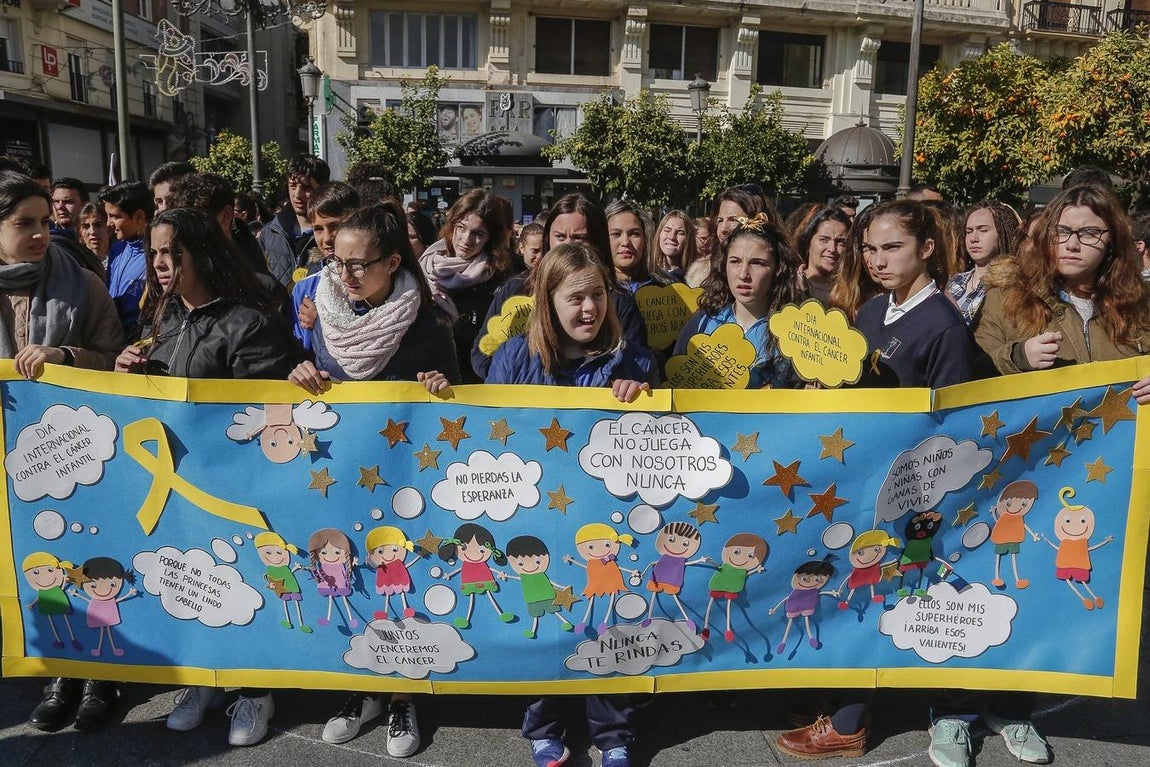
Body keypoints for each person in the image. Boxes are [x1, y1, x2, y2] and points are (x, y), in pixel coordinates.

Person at [114, 207, 302, 745]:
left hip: (232, 488)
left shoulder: (249, 322)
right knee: (190, 581)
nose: (161, 264)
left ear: (203, 252)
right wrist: (133, 371)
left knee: (241, 578)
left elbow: (258, 414)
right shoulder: (167, 319)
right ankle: (207, 679)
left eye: (172, 251)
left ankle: (253, 691)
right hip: (174, 486)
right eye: (154, 253)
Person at [487, 241, 654, 767]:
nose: (589, 309)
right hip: (533, 516)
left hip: (602, 517)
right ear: (547, 301)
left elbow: (660, 444)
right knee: (543, 619)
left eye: (598, 296)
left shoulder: (633, 358)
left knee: (602, 625)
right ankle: (543, 725)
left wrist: (644, 392)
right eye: (575, 298)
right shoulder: (515, 357)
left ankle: (614, 735)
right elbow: (488, 436)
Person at [0, 171, 125, 732]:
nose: (39, 234)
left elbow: (119, 361)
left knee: (84, 555)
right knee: (32, 563)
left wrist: (67, 356)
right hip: (8, 459)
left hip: (76, 453)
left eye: (44, 222)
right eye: (23, 223)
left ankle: (96, 673)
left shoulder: (82, 285)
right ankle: (54, 668)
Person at [976, 185, 1150, 377]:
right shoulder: (1006, 297)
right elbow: (972, 371)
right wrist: (1018, 357)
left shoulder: (1141, 303)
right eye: (1062, 231)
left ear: (1112, 240)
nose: (1072, 245)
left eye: (1089, 233)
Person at [853, 199, 974, 389]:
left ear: (926, 248)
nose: (878, 262)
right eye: (872, 249)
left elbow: (952, 413)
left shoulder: (946, 327)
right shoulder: (870, 311)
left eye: (892, 247)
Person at [674, 213, 802, 389]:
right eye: (735, 261)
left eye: (757, 263)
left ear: (777, 269)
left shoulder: (796, 333)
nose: (743, 275)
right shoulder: (702, 322)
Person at [419, 189, 513, 382]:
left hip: (470, 385)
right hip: (425, 380)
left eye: (478, 234)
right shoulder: (424, 266)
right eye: (461, 228)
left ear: (490, 238)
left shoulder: (498, 282)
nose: (466, 240)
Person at [946, 201, 1020, 325]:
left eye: (983, 230)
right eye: (969, 231)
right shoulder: (954, 281)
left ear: (1002, 233)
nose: (973, 238)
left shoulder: (1012, 285)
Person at [261, 154, 331, 285]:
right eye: (292, 186)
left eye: (306, 187)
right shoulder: (270, 233)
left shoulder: (333, 236)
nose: (297, 195)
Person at [102, 181, 154, 338]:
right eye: (107, 216)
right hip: (113, 339)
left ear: (139, 216)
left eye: (115, 216)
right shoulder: (117, 249)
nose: (108, 223)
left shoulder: (156, 255)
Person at [605, 200, 675, 293]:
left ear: (645, 239)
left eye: (634, 234)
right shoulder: (592, 289)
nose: (625, 242)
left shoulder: (667, 288)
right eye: (616, 234)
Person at [795, 206, 852, 305]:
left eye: (840, 242)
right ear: (808, 241)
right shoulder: (789, 286)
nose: (832, 249)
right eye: (824, 239)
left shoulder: (853, 292)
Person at [650, 209, 698, 282]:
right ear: (659, 234)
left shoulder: (697, 278)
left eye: (680, 232)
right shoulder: (646, 273)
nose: (672, 237)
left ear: (688, 240)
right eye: (667, 230)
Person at [77, 202, 111, 271]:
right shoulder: (76, 263)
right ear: (80, 234)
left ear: (109, 229)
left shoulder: (122, 259)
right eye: (86, 226)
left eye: (98, 225)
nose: (93, 231)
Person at [691, 215, 716, 286]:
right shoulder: (685, 258)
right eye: (703, 238)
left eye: (710, 238)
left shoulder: (716, 262)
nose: (707, 242)